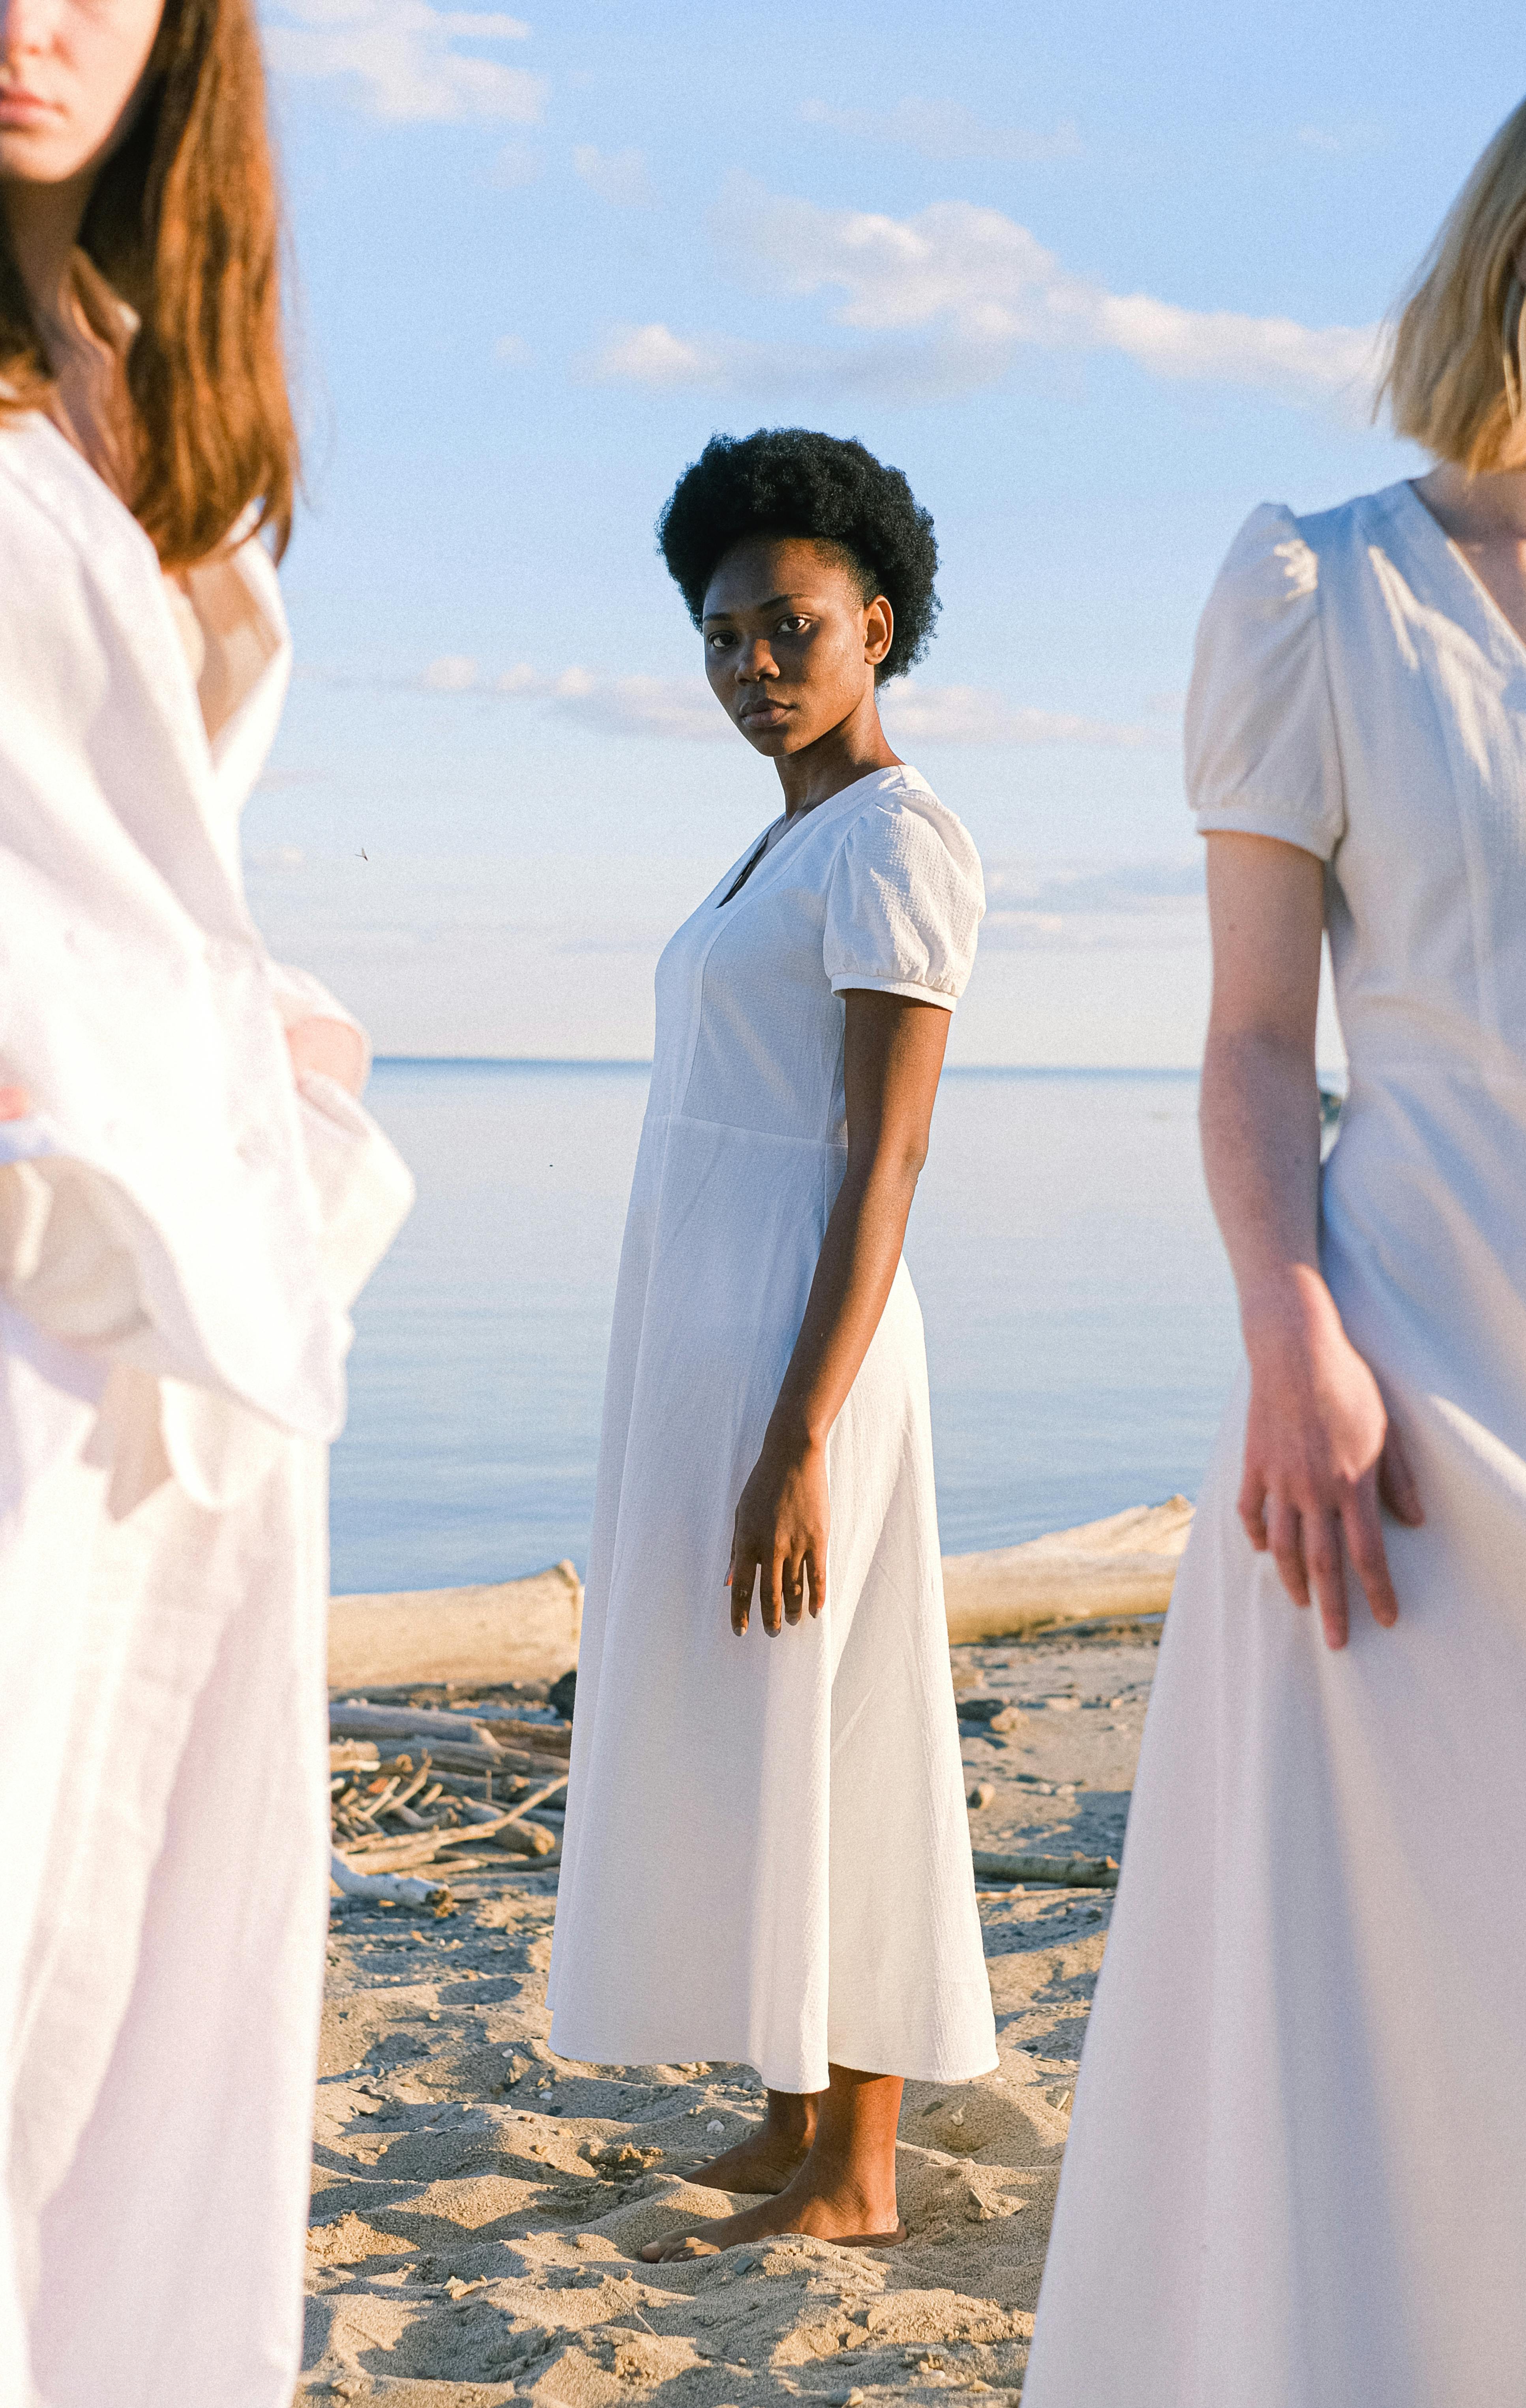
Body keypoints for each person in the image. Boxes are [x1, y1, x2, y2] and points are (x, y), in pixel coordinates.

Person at [1024, 41, 1526, 2408]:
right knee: (1427, 2012)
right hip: (1418, 1404)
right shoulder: (1325, 589)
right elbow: (1261, 1036)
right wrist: (1291, 1331)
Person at [0, 0, 412, 2396]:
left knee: (148, 2039)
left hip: (185, 1326)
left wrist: (277, 1052)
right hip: (55, 1258)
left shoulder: (139, 366)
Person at [547, 428, 996, 2258]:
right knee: (757, 1708)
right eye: (723, 634)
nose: (752, 663)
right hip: (708, 1328)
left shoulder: (901, 836)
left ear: (875, 623)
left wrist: (801, 1429)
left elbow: (888, 1149)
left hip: (811, 1347)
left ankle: (863, 2171)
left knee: (847, 1713)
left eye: (789, 625)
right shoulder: (786, 837)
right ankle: (791, 2114)